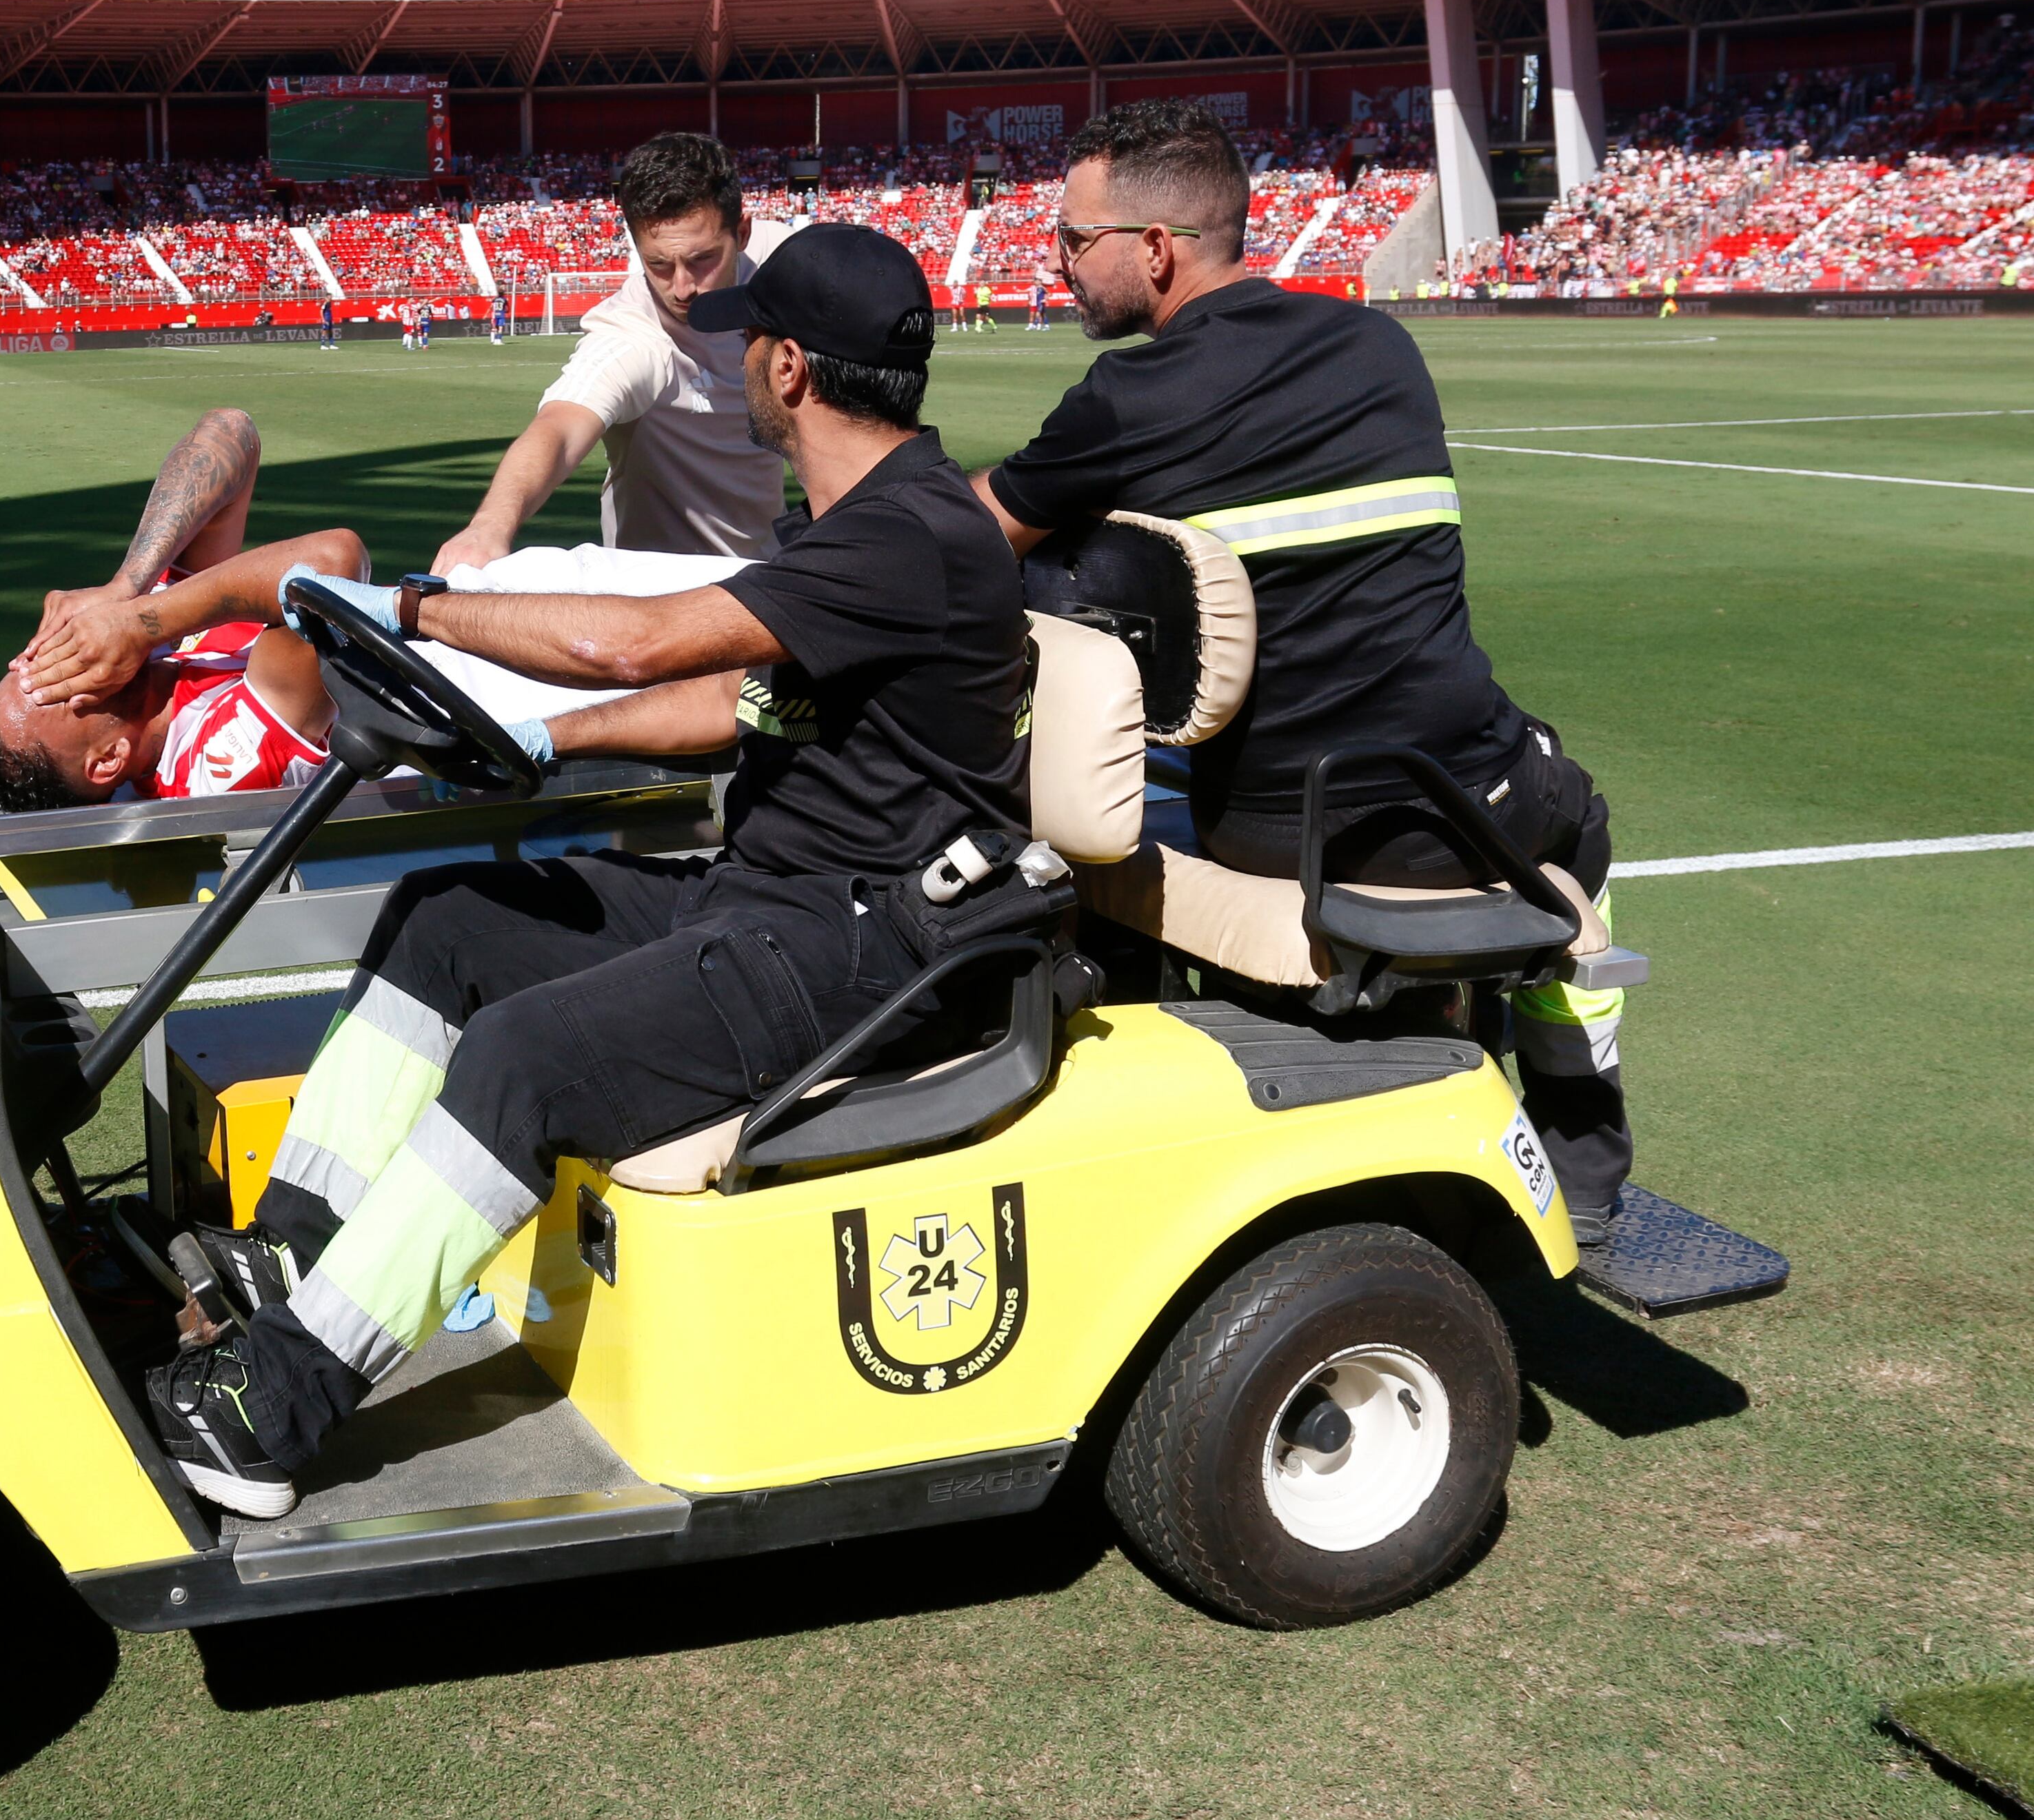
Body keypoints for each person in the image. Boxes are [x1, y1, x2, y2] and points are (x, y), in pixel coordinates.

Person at [147, 224, 1027, 1516]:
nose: (730, 357)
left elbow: (637, 646)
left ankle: (271, 1402)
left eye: (747, 337)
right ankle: (295, 1255)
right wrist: (540, 735)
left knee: (523, 1056)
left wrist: (409, 610)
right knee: (455, 918)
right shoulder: (857, 523)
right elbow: (731, 700)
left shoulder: (907, 536)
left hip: (871, 949)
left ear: (789, 368)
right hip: (776, 899)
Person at [965, 99, 1635, 1246]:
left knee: (1117, 788)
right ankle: (1584, 1161)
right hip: (1463, 811)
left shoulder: (1123, 401)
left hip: (1268, 830)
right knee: (1576, 814)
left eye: (1076, 239)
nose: (1059, 260)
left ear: (1157, 249)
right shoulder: (1382, 348)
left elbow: (972, 542)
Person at [0, 409, 368, 811]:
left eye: (29, 663)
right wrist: (141, 625)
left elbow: (231, 432)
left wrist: (127, 587)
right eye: (51, 684)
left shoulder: (151, 660)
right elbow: (333, 565)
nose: (60, 653)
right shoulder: (209, 774)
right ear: (109, 759)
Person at [432, 132, 791, 573]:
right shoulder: (633, 337)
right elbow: (561, 427)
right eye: (658, 264)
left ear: (743, 234)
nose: (682, 287)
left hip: (771, 577)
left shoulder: (783, 271)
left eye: (702, 259)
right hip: (660, 594)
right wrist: (488, 527)